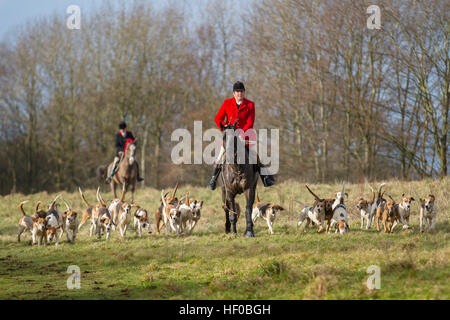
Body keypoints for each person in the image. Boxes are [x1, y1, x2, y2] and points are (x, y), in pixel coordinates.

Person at [207, 81, 275, 190]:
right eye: (237, 92)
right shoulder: (226, 103)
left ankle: (266, 178)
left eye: (241, 92)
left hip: (245, 136)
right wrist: (226, 127)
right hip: (229, 137)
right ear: (233, 93)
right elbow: (218, 119)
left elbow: (250, 122)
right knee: (220, 156)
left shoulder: (250, 105)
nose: (239, 94)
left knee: (255, 155)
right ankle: (213, 179)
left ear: (244, 93)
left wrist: (242, 133)